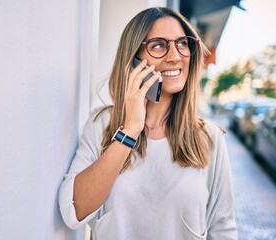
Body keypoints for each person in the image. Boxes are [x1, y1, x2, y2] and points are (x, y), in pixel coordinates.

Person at [58, 7, 238, 240]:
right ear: (133, 60)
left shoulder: (209, 138)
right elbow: (73, 211)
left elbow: (223, 230)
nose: (175, 56)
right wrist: (130, 130)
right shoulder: (102, 124)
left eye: (182, 43)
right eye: (158, 45)